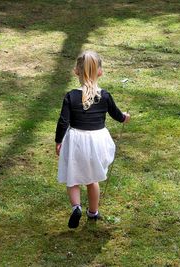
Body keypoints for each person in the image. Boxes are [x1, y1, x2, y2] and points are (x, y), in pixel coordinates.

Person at [55, 50, 130, 228]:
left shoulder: (71, 96)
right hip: (97, 140)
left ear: (76, 71)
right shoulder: (104, 95)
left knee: (72, 177)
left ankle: (76, 207)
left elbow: (63, 121)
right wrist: (124, 117)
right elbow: (117, 115)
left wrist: (58, 141)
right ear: (100, 72)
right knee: (92, 178)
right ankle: (93, 212)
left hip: (76, 141)